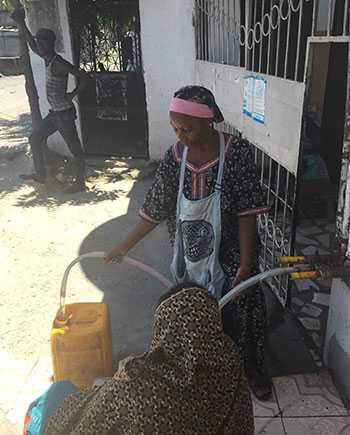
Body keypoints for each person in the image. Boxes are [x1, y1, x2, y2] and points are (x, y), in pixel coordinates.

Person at [105, 85, 272, 400]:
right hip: (191, 252)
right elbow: (155, 209)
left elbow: (248, 213)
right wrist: (123, 246)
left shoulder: (236, 154)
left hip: (233, 250)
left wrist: (247, 264)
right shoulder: (175, 157)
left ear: (209, 121)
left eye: (188, 128)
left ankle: (252, 370)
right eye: (176, 129)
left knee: (243, 307)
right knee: (195, 311)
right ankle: (205, 371)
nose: (181, 135)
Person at [44, 284, 254, 435]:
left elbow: (86, 426)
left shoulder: (136, 385)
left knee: (58, 391)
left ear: (164, 331)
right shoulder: (230, 359)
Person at [11, 8, 88, 193]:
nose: (38, 44)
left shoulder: (59, 63)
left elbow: (85, 77)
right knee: (35, 139)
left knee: (75, 149)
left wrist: (72, 94)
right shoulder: (47, 56)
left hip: (64, 114)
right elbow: (31, 44)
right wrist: (22, 23)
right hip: (55, 114)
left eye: (41, 41)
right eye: (38, 41)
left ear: (50, 43)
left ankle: (80, 183)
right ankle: (41, 175)